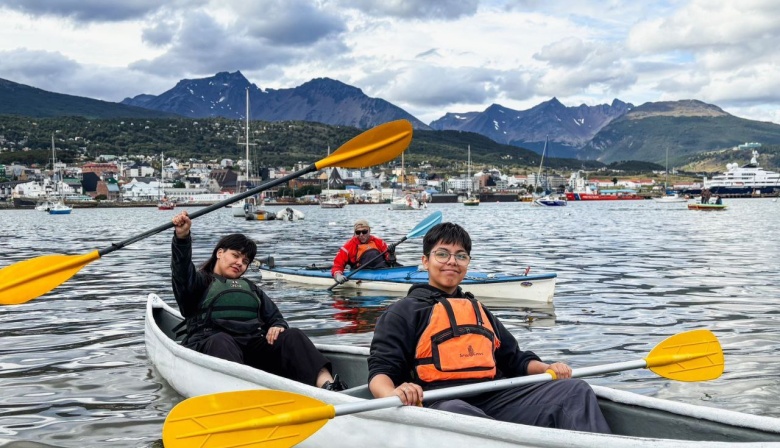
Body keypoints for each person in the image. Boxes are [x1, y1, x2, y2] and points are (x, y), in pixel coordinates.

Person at [367, 222, 611, 434]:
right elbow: (380, 373)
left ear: (468, 263)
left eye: (460, 256)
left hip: (494, 399)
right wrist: (393, 394)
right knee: (457, 412)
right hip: (438, 404)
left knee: (573, 390)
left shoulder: (479, 310)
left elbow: (515, 360)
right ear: (425, 260)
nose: (452, 261)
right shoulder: (403, 312)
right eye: (442, 254)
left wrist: (549, 368)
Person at [171, 210, 347, 391]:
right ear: (220, 253)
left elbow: (275, 317)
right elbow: (181, 270)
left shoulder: (251, 289)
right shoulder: (198, 282)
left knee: (293, 335)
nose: (240, 263)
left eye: (245, 261)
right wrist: (182, 238)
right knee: (221, 341)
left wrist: (277, 325)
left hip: (251, 349)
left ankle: (329, 386)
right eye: (235, 255)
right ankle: (238, 395)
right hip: (211, 345)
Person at [331, 219, 397, 284]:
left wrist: (391, 253)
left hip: (383, 269)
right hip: (361, 271)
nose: (361, 235)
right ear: (355, 233)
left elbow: (391, 261)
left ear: (369, 231)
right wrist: (338, 275)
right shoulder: (348, 247)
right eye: (358, 232)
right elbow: (338, 264)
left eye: (364, 232)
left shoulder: (379, 242)